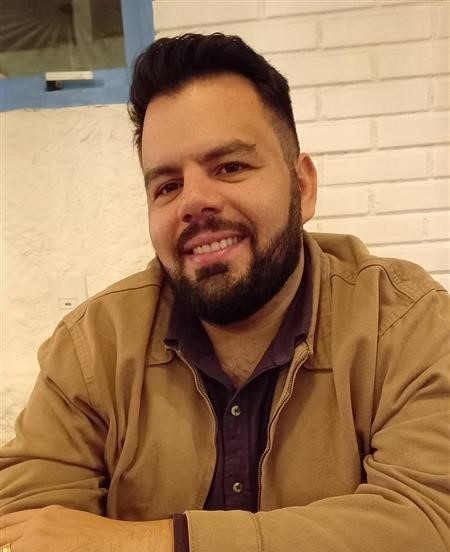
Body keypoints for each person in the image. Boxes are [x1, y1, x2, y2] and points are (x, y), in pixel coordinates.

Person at [0, 33, 449, 552]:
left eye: (230, 167)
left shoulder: (404, 322)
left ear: (302, 187)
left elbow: (431, 520)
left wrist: (155, 542)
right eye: (167, 186)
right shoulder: (93, 347)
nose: (193, 201)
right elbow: (28, 524)